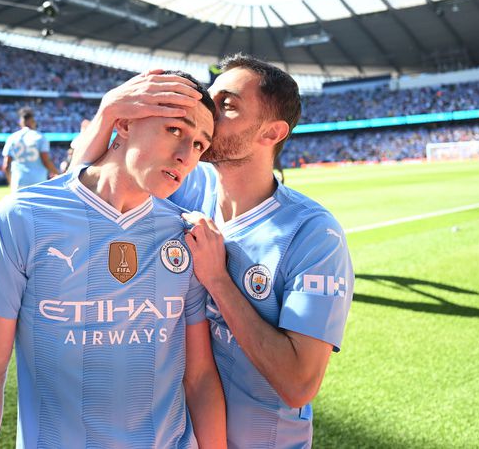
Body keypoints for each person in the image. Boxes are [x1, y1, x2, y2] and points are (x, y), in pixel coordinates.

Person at [72, 54, 354, 448]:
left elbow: (299, 384)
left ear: (271, 133)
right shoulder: (184, 187)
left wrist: (218, 280)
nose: (207, 111)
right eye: (210, 96)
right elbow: (85, 188)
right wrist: (109, 112)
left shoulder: (313, 234)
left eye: (227, 105)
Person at [0, 71, 226, 448]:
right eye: (175, 130)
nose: (186, 156)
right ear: (124, 123)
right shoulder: (21, 218)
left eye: (200, 145)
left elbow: (199, 376)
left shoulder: (184, 236)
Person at [2, 106, 59, 192]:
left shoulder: (12, 138)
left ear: (21, 122)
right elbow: (46, 161)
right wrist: (58, 173)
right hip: (38, 181)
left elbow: (6, 165)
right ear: (33, 121)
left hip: (18, 182)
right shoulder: (40, 137)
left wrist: (11, 182)